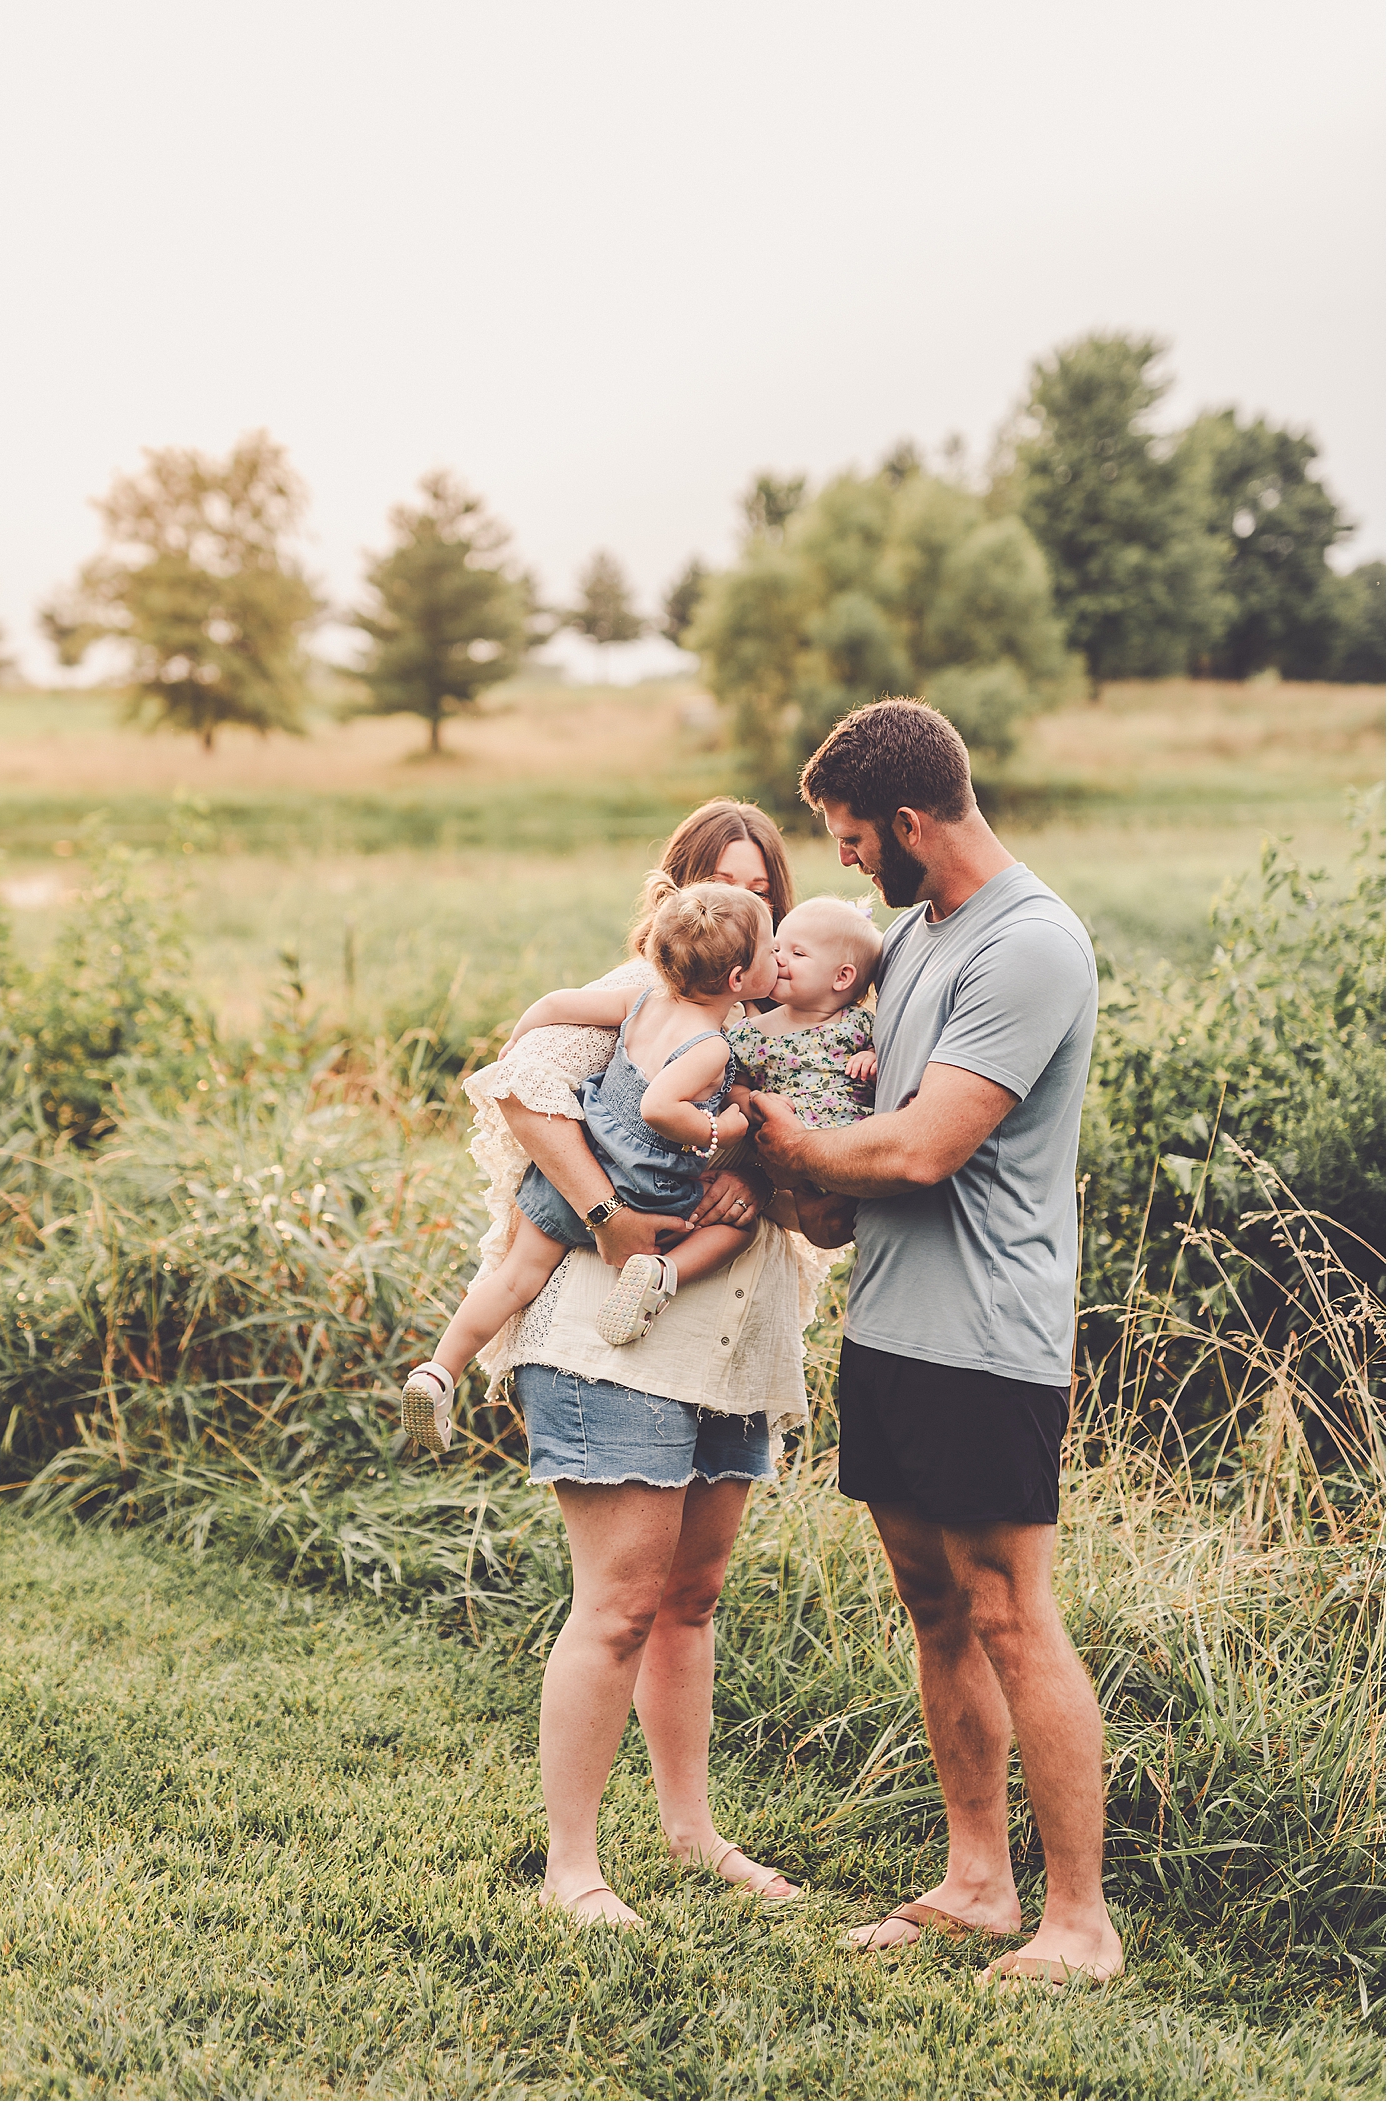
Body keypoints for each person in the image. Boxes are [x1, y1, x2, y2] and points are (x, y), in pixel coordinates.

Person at [749, 698, 1124, 1987]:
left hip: (986, 1339)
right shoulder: (909, 941)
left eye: (855, 839)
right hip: (894, 1325)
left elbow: (923, 1143)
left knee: (1013, 1611)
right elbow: (862, 1150)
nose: (845, 861)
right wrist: (788, 1167)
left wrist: (796, 1150)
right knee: (931, 1605)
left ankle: (1079, 1925)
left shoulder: (1030, 945)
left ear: (911, 823)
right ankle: (977, 1882)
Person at [454, 799, 842, 1924]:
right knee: (618, 1605)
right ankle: (571, 1868)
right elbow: (522, 1080)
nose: (748, 904)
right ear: (675, 901)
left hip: (730, 1339)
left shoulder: (789, 1021)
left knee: (693, 1600)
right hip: (610, 1343)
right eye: (723, 883)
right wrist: (609, 1210)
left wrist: (761, 1173)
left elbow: (819, 1182)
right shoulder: (637, 1000)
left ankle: (690, 1832)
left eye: (763, 888)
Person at [400, 884, 778, 1450]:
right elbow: (660, 1108)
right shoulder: (713, 1046)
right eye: (772, 952)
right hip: (647, 1188)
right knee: (736, 1227)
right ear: (738, 981)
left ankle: (438, 1371)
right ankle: (659, 1278)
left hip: (580, 1169)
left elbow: (554, 1004)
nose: (778, 959)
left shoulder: (641, 1002)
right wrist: (721, 1128)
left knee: (515, 1278)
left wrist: (519, 1040)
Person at [726, 894, 883, 1236]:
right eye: (777, 948)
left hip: (853, 1154)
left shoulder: (858, 1024)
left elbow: (888, 1056)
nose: (779, 959)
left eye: (797, 954)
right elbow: (735, 1083)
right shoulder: (752, 1034)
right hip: (787, 1162)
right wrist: (750, 1104)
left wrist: (872, 1057)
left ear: (841, 977)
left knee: (853, 1223)